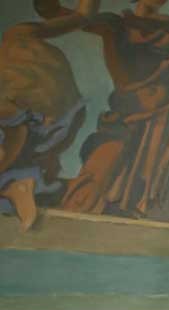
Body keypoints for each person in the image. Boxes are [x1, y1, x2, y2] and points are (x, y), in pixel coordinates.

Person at [55, 0, 169, 218]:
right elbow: (54, 14)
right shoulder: (115, 24)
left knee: (137, 192)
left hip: (164, 118)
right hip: (124, 113)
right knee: (95, 174)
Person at [0, 0, 97, 231]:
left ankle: (16, 186)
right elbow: (84, 14)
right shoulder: (19, 33)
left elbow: (17, 128)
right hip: (71, 114)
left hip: (38, 123)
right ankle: (24, 179)